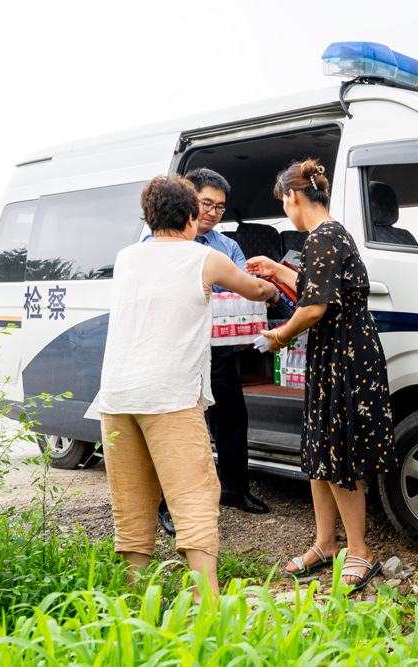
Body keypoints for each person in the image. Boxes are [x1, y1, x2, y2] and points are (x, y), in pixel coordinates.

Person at [99, 174, 278, 602]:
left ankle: (135, 601)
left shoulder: (126, 257)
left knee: (133, 503)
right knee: (195, 497)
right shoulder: (202, 258)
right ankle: (206, 604)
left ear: (148, 216)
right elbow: (252, 288)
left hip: (115, 397)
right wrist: (272, 289)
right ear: (193, 215)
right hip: (170, 396)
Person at [247, 158, 396, 590]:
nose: (285, 212)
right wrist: (278, 270)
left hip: (345, 353)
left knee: (339, 453)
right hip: (336, 350)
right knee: (319, 450)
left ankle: (360, 550)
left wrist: (278, 335)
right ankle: (326, 543)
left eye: (284, 204)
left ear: (293, 196)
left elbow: (314, 307)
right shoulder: (329, 235)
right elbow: (317, 289)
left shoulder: (323, 237)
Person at [155, 167, 268, 541]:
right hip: (177, 349)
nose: (213, 213)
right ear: (189, 201)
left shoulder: (227, 246)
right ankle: (168, 507)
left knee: (232, 416)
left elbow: (242, 287)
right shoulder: (160, 243)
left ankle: (234, 490)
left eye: (220, 207)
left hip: (216, 349)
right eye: (206, 204)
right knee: (183, 428)